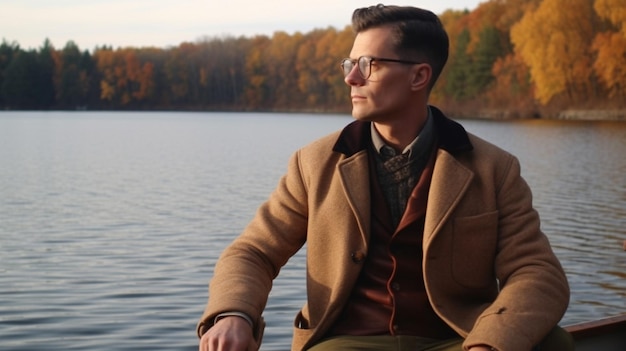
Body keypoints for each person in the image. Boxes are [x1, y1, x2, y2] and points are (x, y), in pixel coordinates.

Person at [198, 4, 573, 351]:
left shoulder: (494, 168)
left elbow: (537, 273)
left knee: (553, 343)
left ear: (419, 76)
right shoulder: (313, 164)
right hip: (346, 341)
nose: (352, 78)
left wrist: (488, 343)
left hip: (457, 339)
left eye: (368, 63)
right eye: (350, 63)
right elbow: (254, 251)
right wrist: (235, 314)